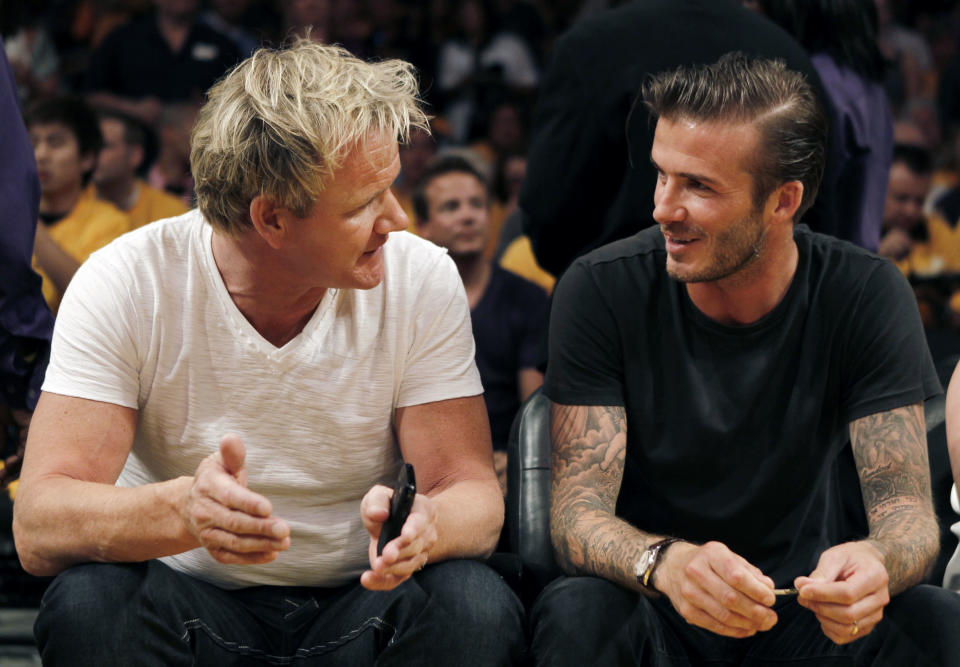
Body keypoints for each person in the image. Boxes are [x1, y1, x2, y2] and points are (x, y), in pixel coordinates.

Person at [13, 40, 525, 666]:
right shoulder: (128, 278)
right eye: (364, 204)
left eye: (391, 189)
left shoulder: (419, 275)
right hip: (191, 601)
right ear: (272, 220)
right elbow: (39, 524)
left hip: (364, 597)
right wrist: (178, 511)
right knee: (88, 603)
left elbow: (471, 490)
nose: (396, 219)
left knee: (473, 603)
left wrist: (429, 528)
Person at [531, 53, 960, 666]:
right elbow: (576, 516)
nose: (662, 208)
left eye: (697, 186)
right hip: (656, 602)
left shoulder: (863, 291)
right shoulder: (600, 287)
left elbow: (909, 517)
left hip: (803, 607)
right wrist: (666, 563)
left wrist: (876, 563)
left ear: (783, 201)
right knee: (577, 609)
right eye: (661, 175)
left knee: (935, 619)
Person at [518, 0, 840, 278]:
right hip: (754, 317)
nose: (667, 210)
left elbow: (548, 209)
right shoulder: (787, 54)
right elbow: (821, 211)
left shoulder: (589, 47)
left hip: (619, 303)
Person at [413, 154, 547, 492]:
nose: (468, 216)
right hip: (424, 464)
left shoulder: (527, 297)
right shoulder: (408, 301)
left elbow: (534, 408)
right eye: (451, 207)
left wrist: (515, 460)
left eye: (476, 204)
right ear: (422, 226)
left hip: (507, 464)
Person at [755, 0, 893, 253]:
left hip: (825, 255)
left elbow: (813, 181)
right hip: (857, 254)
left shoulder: (816, 78)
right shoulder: (870, 85)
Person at [26, 96, 133, 313]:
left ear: (87, 158)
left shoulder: (112, 223)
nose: (41, 155)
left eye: (55, 143)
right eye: (33, 142)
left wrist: (27, 222)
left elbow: (92, 299)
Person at [89, 108, 189, 229]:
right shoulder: (70, 204)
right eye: (92, 146)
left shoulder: (171, 213)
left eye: (105, 146)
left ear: (135, 155)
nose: (93, 154)